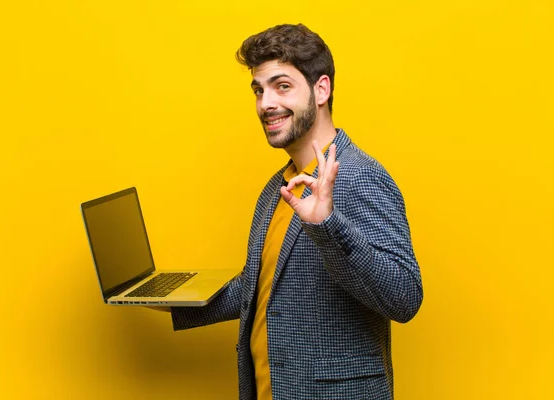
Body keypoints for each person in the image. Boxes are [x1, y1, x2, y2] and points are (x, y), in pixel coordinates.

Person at [168, 23, 423, 400]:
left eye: (281, 86)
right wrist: (173, 300)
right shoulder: (279, 186)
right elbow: (263, 286)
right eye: (259, 90)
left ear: (322, 89)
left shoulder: (360, 176)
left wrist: (327, 224)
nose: (265, 103)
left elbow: (404, 296)